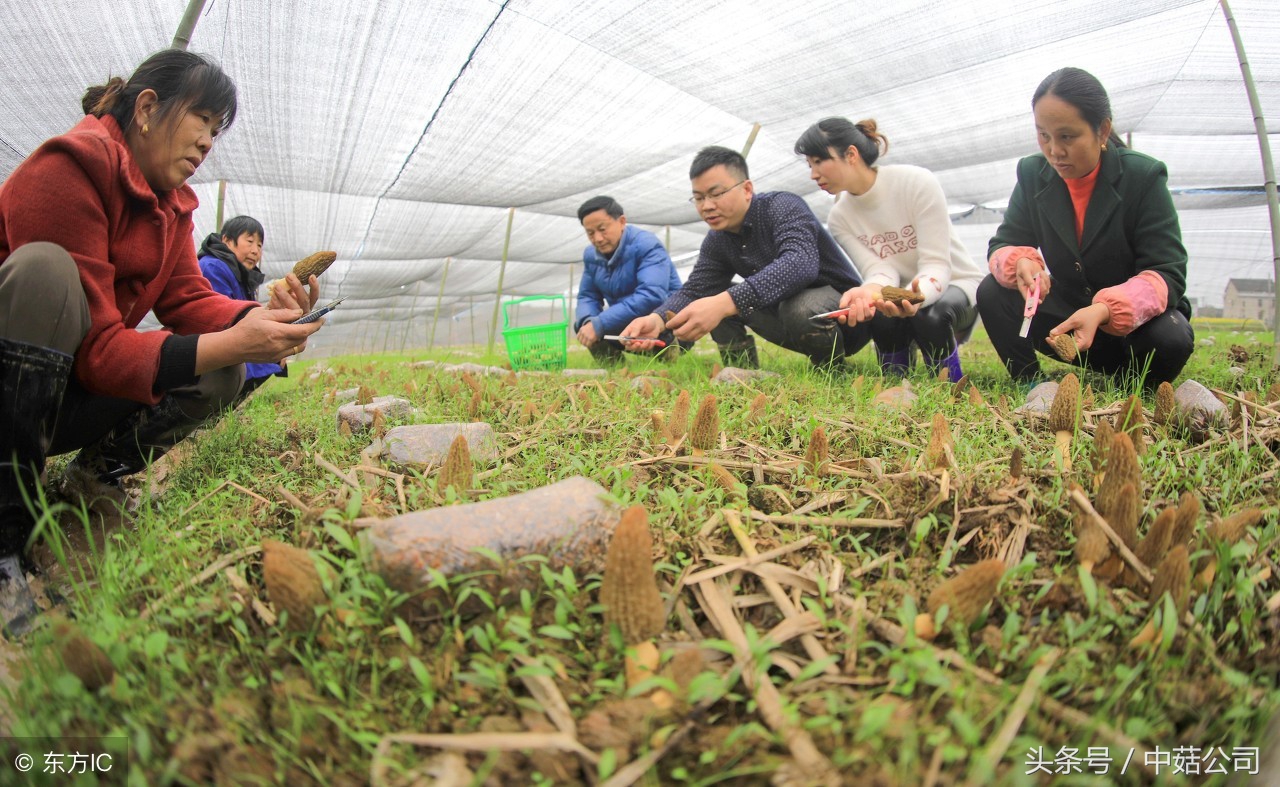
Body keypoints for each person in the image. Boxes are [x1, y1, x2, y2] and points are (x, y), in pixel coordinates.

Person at [0, 50, 322, 637]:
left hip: (62, 400)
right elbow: (99, 350)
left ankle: (93, 478)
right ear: (147, 108)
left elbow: (189, 300)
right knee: (45, 273)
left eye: (217, 130)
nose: (207, 142)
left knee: (221, 369)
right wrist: (234, 342)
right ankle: (6, 532)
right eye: (201, 119)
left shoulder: (171, 210)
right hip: (14, 390)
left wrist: (259, 316)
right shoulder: (68, 169)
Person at [978, 67, 1194, 390]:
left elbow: (1168, 272)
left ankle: (1132, 387)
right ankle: (1031, 384)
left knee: (1170, 335)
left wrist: (1105, 310)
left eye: (1067, 136)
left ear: (1102, 130)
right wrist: (1020, 262)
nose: (1054, 151)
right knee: (993, 292)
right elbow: (1005, 242)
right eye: (1044, 135)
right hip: (1071, 325)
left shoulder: (1143, 177)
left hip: (1133, 332)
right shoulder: (1033, 174)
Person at [619, 146, 870, 372]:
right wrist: (657, 319)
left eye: (716, 193)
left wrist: (725, 303)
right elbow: (697, 288)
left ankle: (831, 371)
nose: (707, 206)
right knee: (712, 298)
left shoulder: (782, 207)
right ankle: (741, 373)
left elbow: (800, 264)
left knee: (791, 305)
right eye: (699, 197)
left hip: (848, 317)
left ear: (747, 189)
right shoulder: (718, 239)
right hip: (791, 321)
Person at [795, 117, 984, 380]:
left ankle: (949, 384)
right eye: (809, 165)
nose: (813, 174)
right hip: (900, 294)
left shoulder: (915, 182)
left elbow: (936, 265)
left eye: (818, 161)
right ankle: (896, 382)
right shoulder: (839, 217)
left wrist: (913, 297)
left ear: (851, 154)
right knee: (881, 316)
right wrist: (869, 292)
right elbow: (879, 270)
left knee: (929, 315)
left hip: (957, 283)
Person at [573, 196, 686, 366]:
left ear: (622, 222)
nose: (598, 238)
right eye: (590, 233)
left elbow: (651, 294)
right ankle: (614, 369)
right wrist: (589, 321)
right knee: (584, 324)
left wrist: (601, 323)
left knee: (598, 324)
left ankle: (670, 355)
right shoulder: (591, 255)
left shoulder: (647, 245)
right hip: (628, 323)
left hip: (665, 323)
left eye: (602, 229)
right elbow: (587, 296)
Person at [198, 215, 287, 397]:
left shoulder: (241, 274)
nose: (255, 251)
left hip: (230, 345)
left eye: (259, 245)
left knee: (274, 355)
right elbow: (222, 318)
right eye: (250, 241)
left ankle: (230, 403)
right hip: (213, 348)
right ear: (227, 240)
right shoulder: (213, 267)